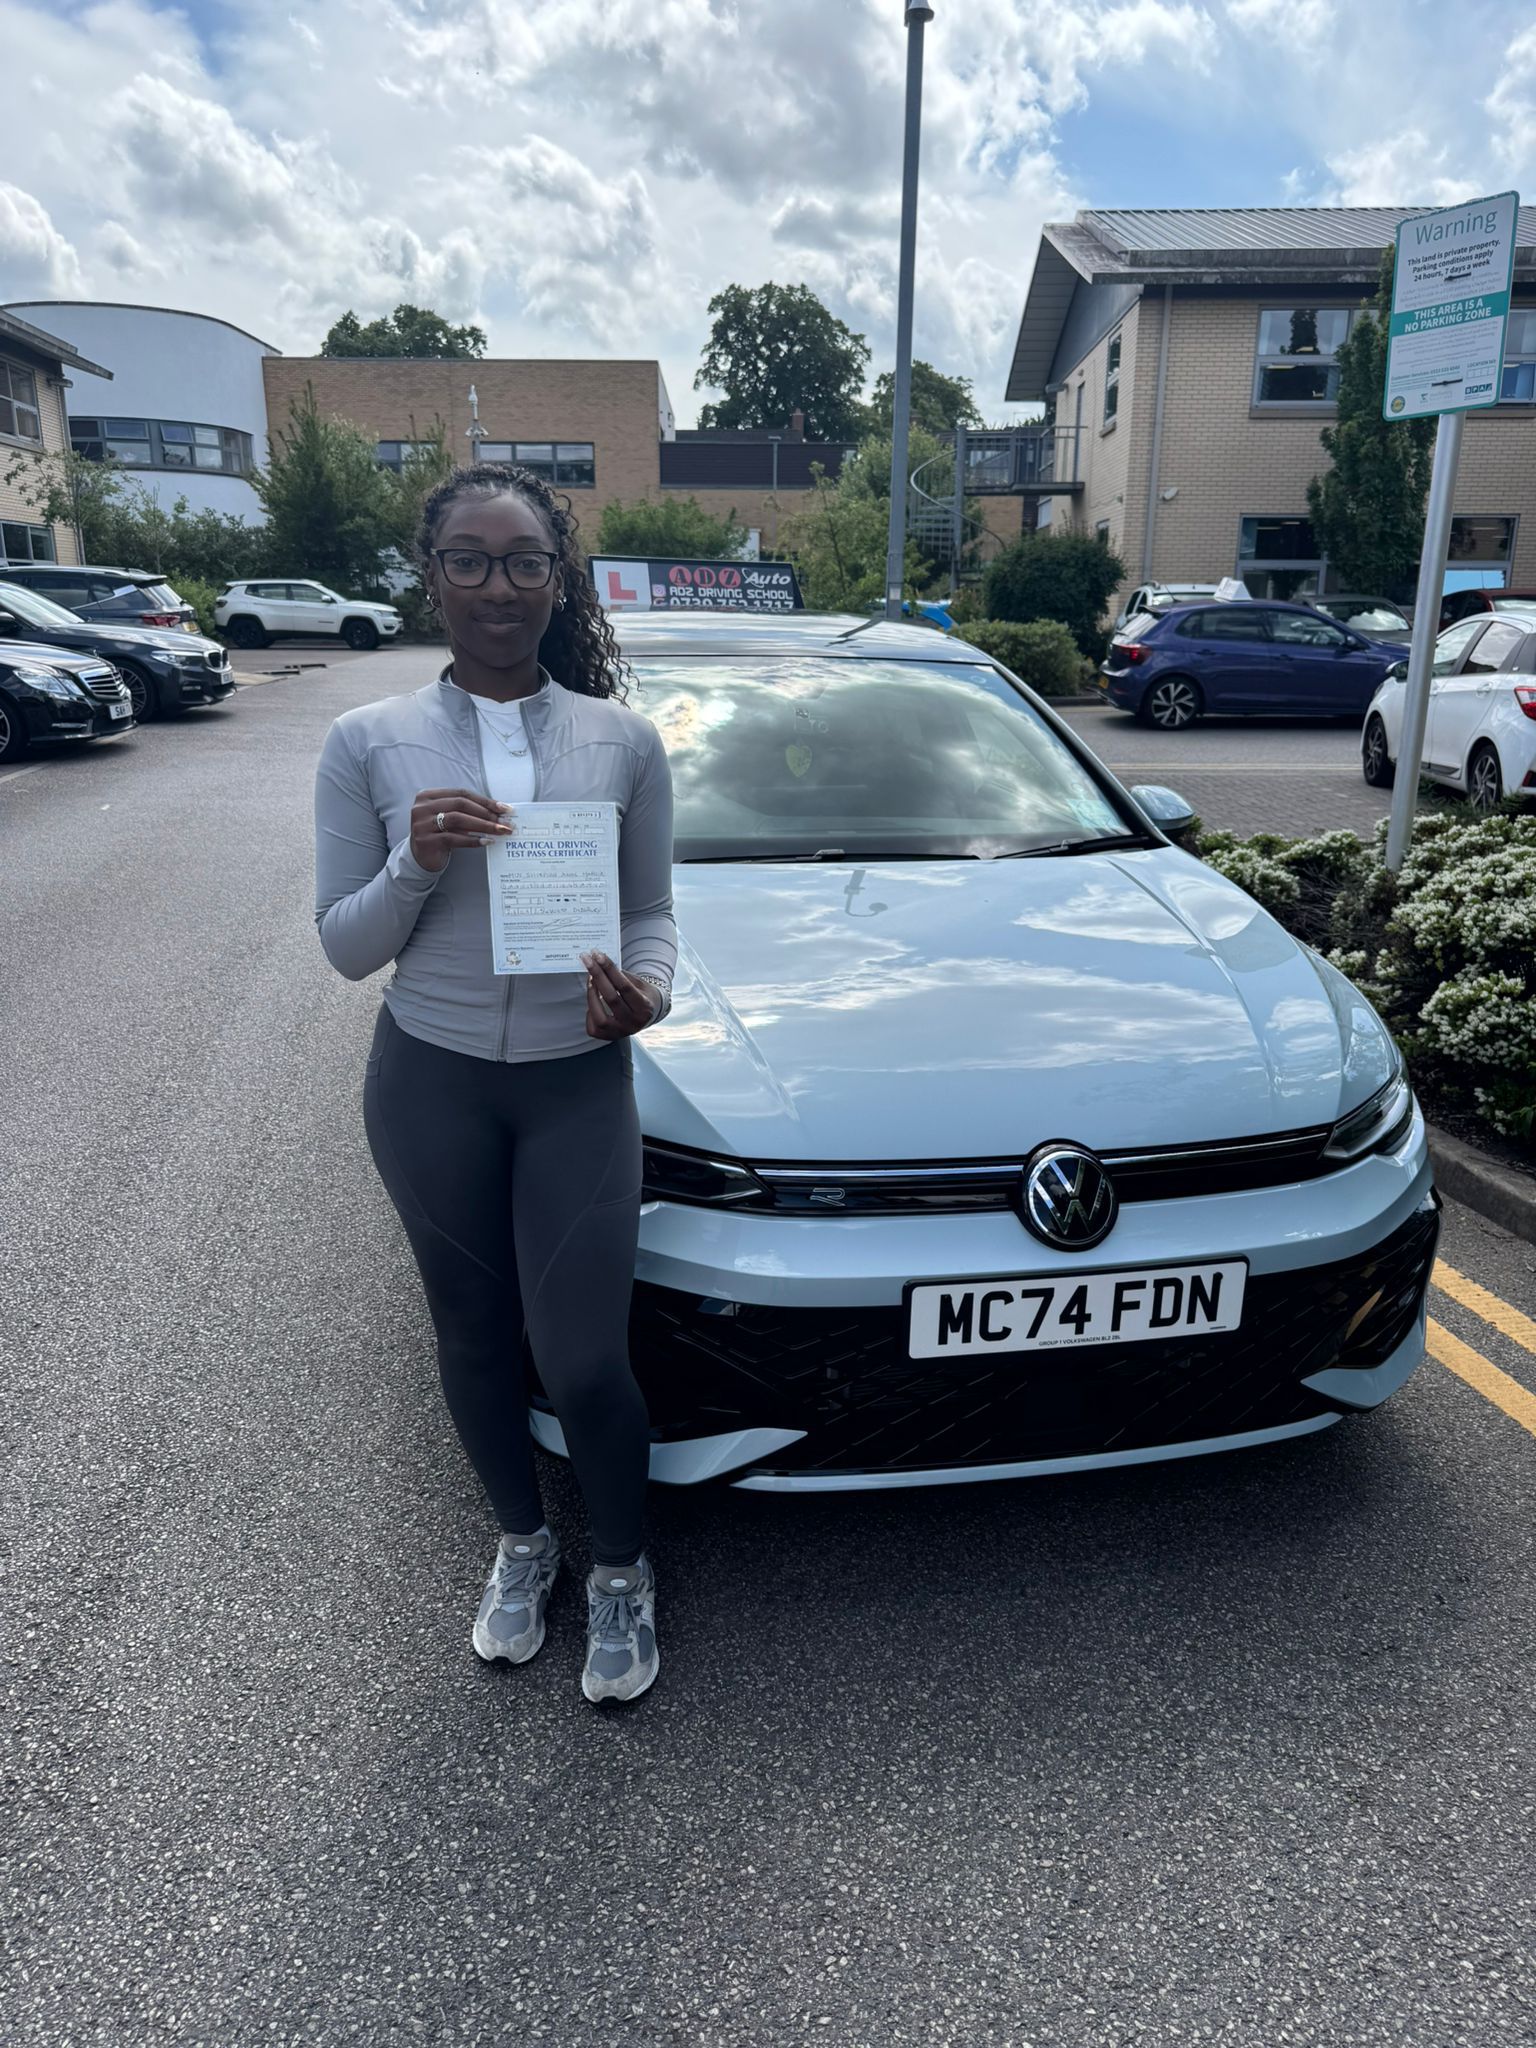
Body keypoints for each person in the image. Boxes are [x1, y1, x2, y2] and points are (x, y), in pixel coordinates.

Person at [313, 462, 676, 1705]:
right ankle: (524, 1547)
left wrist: (650, 993)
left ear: (558, 578)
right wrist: (414, 861)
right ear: (432, 578)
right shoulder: (366, 741)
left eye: (523, 559)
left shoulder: (622, 740)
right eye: (467, 558)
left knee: (582, 1357)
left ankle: (621, 1569)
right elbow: (345, 943)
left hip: (579, 1079)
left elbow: (652, 913)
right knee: (471, 1334)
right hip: (432, 1080)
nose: (496, 584)